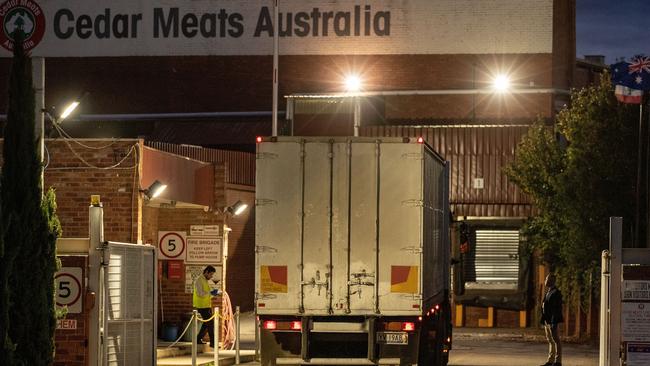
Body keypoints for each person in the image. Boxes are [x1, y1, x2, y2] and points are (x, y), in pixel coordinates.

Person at [193, 265, 221, 348]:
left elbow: (206, 294)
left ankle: (198, 339)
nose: (211, 276)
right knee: (210, 324)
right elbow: (200, 293)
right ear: (206, 272)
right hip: (201, 306)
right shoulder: (199, 281)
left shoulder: (204, 280)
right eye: (211, 274)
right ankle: (213, 343)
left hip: (206, 305)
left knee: (206, 324)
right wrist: (210, 293)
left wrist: (214, 294)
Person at [540, 274, 563, 366]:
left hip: (553, 321)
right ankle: (550, 361)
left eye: (546, 279)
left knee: (556, 340)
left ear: (552, 281)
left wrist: (554, 322)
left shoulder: (556, 293)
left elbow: (556, 309)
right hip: (547, 321)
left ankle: (558, 362)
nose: (545, 280)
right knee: (550, 340)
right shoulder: (548, 292)